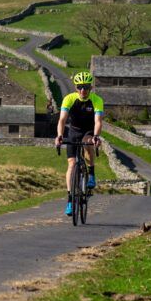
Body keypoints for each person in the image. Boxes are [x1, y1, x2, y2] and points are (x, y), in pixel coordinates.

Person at [55, 71, 104, 216]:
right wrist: (59, 135)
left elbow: (98, 121)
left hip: (89, 131)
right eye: (80, 87)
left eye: (86, 87)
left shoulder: (96, 100)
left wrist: (96, 136)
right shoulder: (69, 99)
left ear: (91, 88)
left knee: (88, 144)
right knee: (71, 164)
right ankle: (70, 199)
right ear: (76, 87)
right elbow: (62, 120)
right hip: (74, 132)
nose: (83, 90)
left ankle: (91, 174)